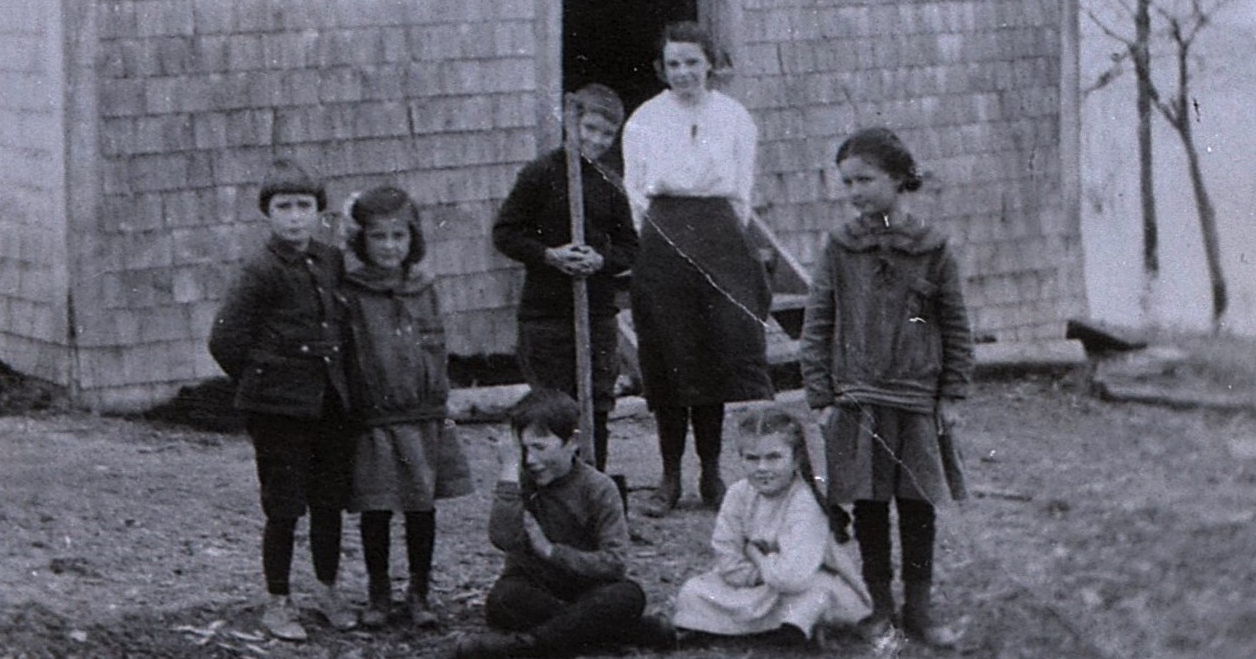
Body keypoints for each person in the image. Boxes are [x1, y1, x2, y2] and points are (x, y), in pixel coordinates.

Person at [799, 128, 973, 650]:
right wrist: (822, 397)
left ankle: (919, 611)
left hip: (917, 401)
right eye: (847, 182)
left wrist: (951, 395)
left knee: (918, 508)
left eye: (865, 180)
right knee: (869, 507)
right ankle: (881, 611)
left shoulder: (932, 248)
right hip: (857, 399)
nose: (854, 191)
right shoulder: (840, 247)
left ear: (898, 179)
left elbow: (957, 326)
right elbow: (818, 323)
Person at [207, 158, 359, 641]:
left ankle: (328, 589)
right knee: (285, 506)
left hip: (330, 405)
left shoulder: (329, 259)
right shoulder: (261, 269)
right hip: (279, 411)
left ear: (319, 212)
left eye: (304, 206)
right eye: (284, 207)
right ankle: (278, 601)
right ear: (267, 213)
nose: (295, 217)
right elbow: (225, 341)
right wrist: (265, 383)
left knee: (329, 502)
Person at [622, 21, 771, 515]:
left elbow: (743, 188)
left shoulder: (733, 116)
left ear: (710, 62)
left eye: (691, 61)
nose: (683, 71)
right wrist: (653, 240)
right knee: (669, 354)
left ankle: (710, 473)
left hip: (718, 233)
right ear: (661, 70)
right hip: (664, 233)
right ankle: (669, 477)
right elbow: (635, 189)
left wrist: (725, 234)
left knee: (713, 354)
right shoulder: (645, 118)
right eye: (673, 64)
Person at [338, 184, 474, 629]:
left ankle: (419, 591)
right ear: (363, 241)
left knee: (421, 506)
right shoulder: (352, 291)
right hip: (376, 417)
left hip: (421, 416)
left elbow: (435, 345)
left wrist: (437, 396)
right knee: (376, 508)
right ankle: (379, 592)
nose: (390, 247)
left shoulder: (423, 288)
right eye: (379, 237)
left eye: (399, 236)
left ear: (413, 239)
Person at [454, 389, 667, 659]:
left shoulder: (599, 488)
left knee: (627, 595)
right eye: (523, 449)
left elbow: (614, 562)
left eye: (540, 448)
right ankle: (625, 631)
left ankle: (523, 648)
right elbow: (502, 538)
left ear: (572, 442)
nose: (530, 460)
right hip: (537, 588)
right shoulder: (519, 481)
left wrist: (551, 551)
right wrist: (508, 471)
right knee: (503, 599)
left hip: (590, 587)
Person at [491, 84, 639, 471]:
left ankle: (594, 486)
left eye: (606, 134)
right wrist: (549, 255)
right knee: (550, 409)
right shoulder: (540, 174)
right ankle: (548, 493)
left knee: (597, 405)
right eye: (588, 128)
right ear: (570, 123)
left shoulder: (609, 183)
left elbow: (630, 247)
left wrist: (600, 260)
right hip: (546, 316)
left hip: (597, 314)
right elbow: (505, 233)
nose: (595, 140)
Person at [669, 406, 872, 644]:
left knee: (816, 595)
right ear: (741, 458)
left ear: (795, 458)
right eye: (752, 458)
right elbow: (727, 556)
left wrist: (753, 552)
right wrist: (755, 576)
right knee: (693, 591)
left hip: (804, 583)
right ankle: (763, 628)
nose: (762, 468)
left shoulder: (805, 501)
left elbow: (791, 577)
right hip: (760, 584)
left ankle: (783, 631)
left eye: (773, 457)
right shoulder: (737, 494)